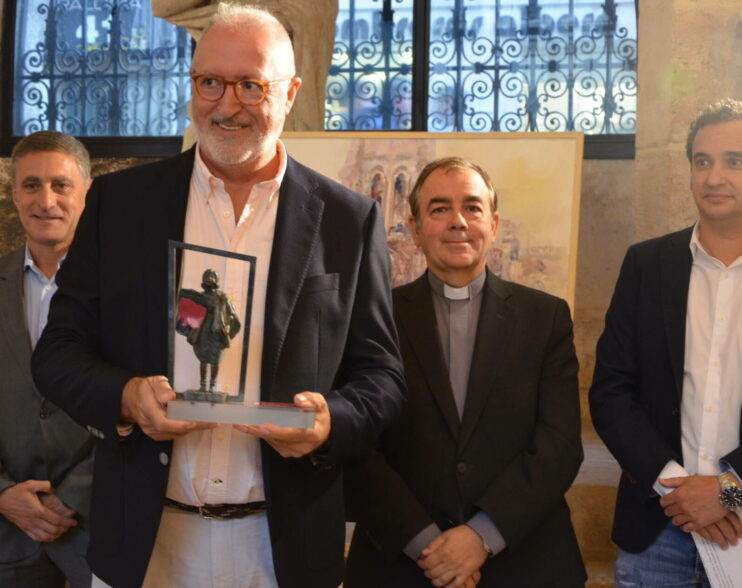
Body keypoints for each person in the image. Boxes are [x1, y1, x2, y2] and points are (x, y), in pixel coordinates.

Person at [31, 4, 405, 588]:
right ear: (193, 86)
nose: (227, 105)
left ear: (289, 93)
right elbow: (57, 353)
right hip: (147, 545)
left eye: (251, 85)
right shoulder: (120, 205)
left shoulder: (347, 220)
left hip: (284, 549)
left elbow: (382, 376)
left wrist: (332, 420)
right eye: (210, 82)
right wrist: (127, 397)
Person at [344, 157, 586, 587]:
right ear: (416, 230)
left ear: (492, 225)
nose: (458, 221)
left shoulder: (544, 318)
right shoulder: (374, 318)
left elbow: (559, 445)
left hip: (526, 563)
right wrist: (427, 545)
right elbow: (359, 447)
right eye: (439, 209)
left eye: (472, 208)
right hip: (401, 565)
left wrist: (482, 536)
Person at [590, 98, 742, 587]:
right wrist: (675, 488)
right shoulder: (646, 265)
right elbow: (611, 392)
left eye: (734, 162)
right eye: (703, 162)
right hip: (658, 530)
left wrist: (729, 491)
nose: (714, 177)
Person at [0, 131, 93, 587]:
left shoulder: (127, 291)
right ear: (14, 193)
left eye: (61, 185)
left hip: (98, 531)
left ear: (86, 193)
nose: (46, 200)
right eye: (32, 185)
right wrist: (2, 494)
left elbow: (147, 406)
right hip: (7, 537)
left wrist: (73, 495)